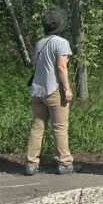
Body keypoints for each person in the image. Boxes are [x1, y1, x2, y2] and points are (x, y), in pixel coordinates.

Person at [25, 9, 77, 176]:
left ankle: (31, 163)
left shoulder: (40, 43)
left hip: (37, 91)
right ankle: (65, 163)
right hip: (53, 90)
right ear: (60, 26)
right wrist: (67, 88)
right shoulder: (61, 42)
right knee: (60, 127)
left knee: (37, 127)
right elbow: (61, 67)